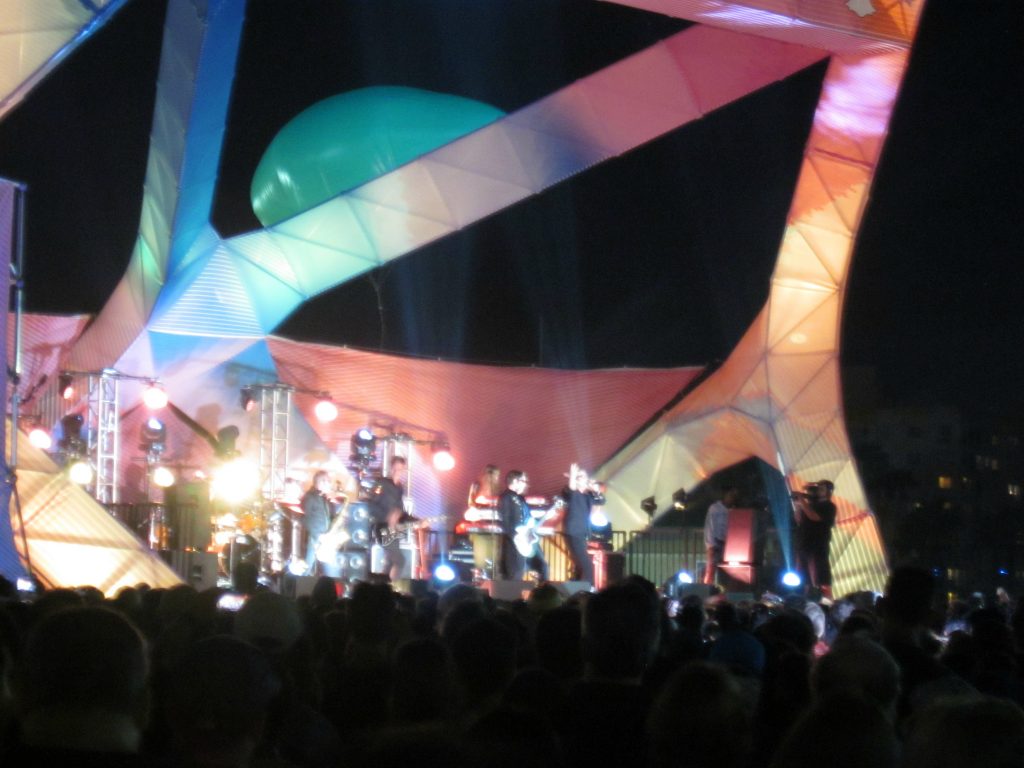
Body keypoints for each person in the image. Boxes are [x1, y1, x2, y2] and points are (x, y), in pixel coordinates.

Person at [498, 470, 548, 581]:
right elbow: (505, 521)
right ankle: (512, 597)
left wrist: (544, 517)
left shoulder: (521, 499)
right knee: (516, 572)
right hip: (516, 541)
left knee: (542, 566)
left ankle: (543, 591)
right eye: (523, 481)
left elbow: (528, 519)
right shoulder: (506, 497)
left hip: (527, 540)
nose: (526, 484)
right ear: (515, 481)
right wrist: (516, 537)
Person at [793, 479, 836, 600]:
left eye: (822, 489)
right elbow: (798, 520)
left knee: (820, 577)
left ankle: (826, 602)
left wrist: (803, 500)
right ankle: (806, 600)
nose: (818, 491)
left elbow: (814, 517)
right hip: (803, 545)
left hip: (817, 547)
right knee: (803, 577)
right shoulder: (810, 505)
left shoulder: (829, 506)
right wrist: (798, 506)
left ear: (829, 491)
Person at [370, 456, 411, 581]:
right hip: (382, 527)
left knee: (390, 562)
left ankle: (382, 588)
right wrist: (387, 517)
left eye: (400, 469)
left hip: (394, 530)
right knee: (400, 561)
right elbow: (371, 504)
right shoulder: (381, 483)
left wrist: (415, 521)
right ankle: (388, 588)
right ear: (391, 468)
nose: (398, 471)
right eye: (395, 468)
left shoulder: (400, 487)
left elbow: (400, 510)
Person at [561, 463, 603, 584]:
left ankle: (576, 590)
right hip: (573, 532)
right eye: (580, 477)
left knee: (580, 566)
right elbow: (571, 489)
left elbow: (601, 500)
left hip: (581, 533)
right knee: (587, 566)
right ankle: (586, 592)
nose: (583, 479)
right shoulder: (571, 492)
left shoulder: (587, 496)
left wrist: (595, 490)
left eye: (583, 477)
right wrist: (572, 476)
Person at [301, 471, 340, 577]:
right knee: (306, 568)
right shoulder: (311, 497)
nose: (331, 485)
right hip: (316, 538)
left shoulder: (323, 497)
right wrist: (318, 535)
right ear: (322, 483)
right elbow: (304, 519)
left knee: (331, 570)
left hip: (324, 538)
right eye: (329, 482)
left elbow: (327, 518)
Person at [703, 487, 738, 584]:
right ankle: (707, 589)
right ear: (725, 495)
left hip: (727, 545)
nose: (732, 499)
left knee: (725, 570)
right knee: (711, 570)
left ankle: (723, 590)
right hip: (715, 543)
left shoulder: (732, 510)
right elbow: (709, 527)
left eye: (734, 496)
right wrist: (710, 545)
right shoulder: (715, 508)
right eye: (730, 495)